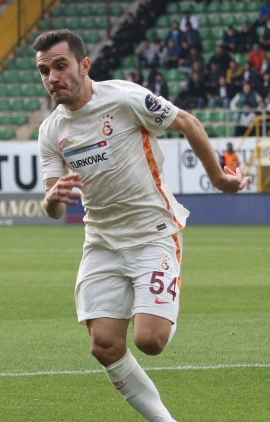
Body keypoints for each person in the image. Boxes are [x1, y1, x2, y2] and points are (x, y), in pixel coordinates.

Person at [34, 29, 248, 422]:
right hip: (101, 242)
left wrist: (219, 178)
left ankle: (162, 298)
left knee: (150, 341)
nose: (52, 78)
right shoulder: (51, 131)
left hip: (153, 232)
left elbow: (187, 122)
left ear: (84, 65)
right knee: (103, 345)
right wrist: (50, 200)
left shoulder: (124, 98)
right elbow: (54, 207)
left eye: (60, 66)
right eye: (45, 71)